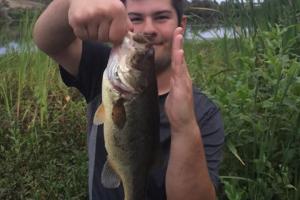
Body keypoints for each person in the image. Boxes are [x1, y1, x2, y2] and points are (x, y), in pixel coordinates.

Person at [33, 0, 224, 199]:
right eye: (135, 18)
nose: (148, 29)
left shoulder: (204, 112)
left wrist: (184, 126)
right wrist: (70, 4)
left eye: (161, 17)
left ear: (181, 25)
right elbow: (47, 41)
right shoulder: (102, 67)